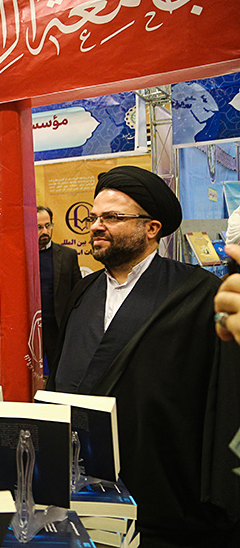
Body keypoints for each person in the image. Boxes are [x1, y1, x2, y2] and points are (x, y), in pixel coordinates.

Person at [47, 165, 240, 547]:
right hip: (82, 493)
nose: (96, 226)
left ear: (151, 228)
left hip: (166, 501)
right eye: (94, 217)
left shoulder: (198, 292)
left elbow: (224, 395)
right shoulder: (84, 292)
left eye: (112, 217)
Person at [35, 205, 82, 372]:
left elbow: (78, 292)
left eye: (48, 225)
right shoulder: (21, 256)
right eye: (39, 227)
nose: (45, 231)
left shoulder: (68, 255)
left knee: (59, 372)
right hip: (30, 330)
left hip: (57, 326)